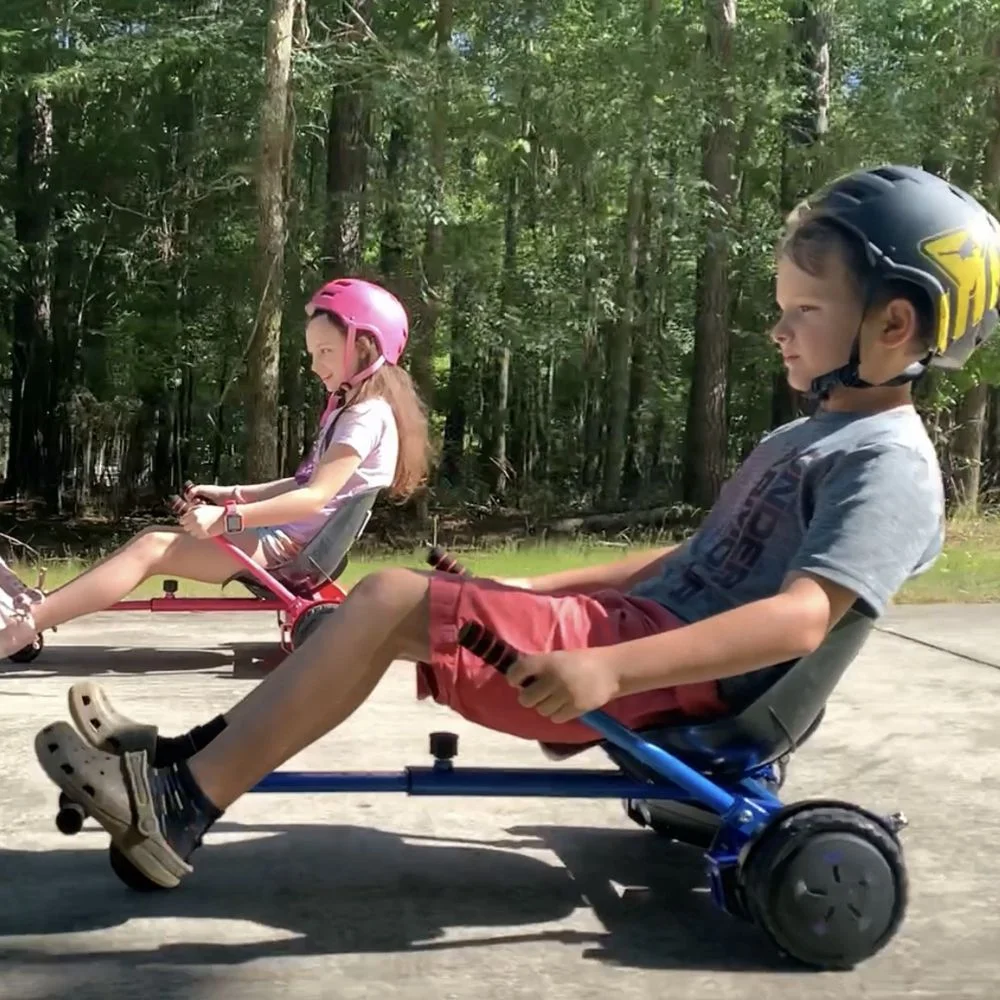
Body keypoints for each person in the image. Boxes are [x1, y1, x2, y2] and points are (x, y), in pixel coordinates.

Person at [32, 166, 1000, 890]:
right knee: (375, 609)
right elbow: (686, 558)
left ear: (894, 326)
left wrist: (612, 669)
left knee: (383, 600)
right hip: (630, 638)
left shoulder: (888, 464)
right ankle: (183, 760)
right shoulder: (807, 437)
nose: (778, 330)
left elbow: (799, 618)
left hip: (659, 675)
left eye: (804, 310)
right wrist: (535, 589)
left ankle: (182, 803)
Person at [3, 277, 429, 661]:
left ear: (365, 346)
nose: (316, 365)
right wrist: (233, 495)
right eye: (313, 353)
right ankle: (39, 611)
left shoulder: (363, 417)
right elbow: (303, 482)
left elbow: (314, 497)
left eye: (326, 351)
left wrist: (228, 519)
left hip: (285, 550)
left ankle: (24, 624)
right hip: (283, 540)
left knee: (151, 548)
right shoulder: (357, 411)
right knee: (150, 540)